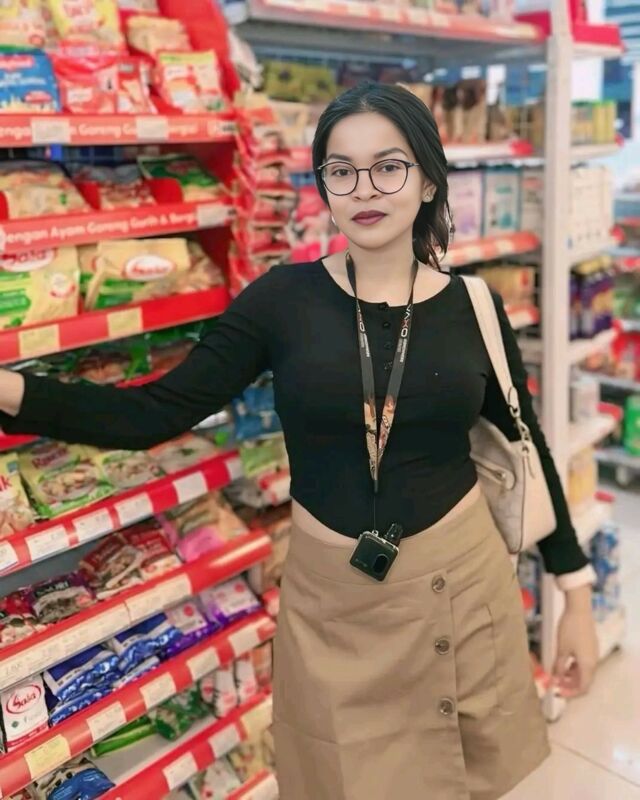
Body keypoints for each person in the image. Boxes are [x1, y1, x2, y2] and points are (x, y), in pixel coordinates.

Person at [0, 81, 599, 799]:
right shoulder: (281, 302)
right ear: (322, 187)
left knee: (466, 781)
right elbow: (151, 414)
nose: (364, 189)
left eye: (389, 166)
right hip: (334, 604)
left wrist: (575, 594)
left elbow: (525, 439)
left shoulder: (475, 305)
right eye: (341, 170)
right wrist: (11, 391)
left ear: (429, 179)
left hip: (465, 588)